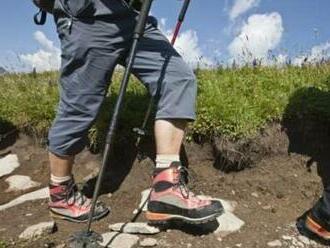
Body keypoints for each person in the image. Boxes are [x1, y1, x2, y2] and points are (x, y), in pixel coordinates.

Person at [47, 0, 223, 224]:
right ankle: (61, 195)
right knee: (79, 106)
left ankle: (166, 190)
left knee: (178, 80)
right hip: (89, 16)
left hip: (133, 16)